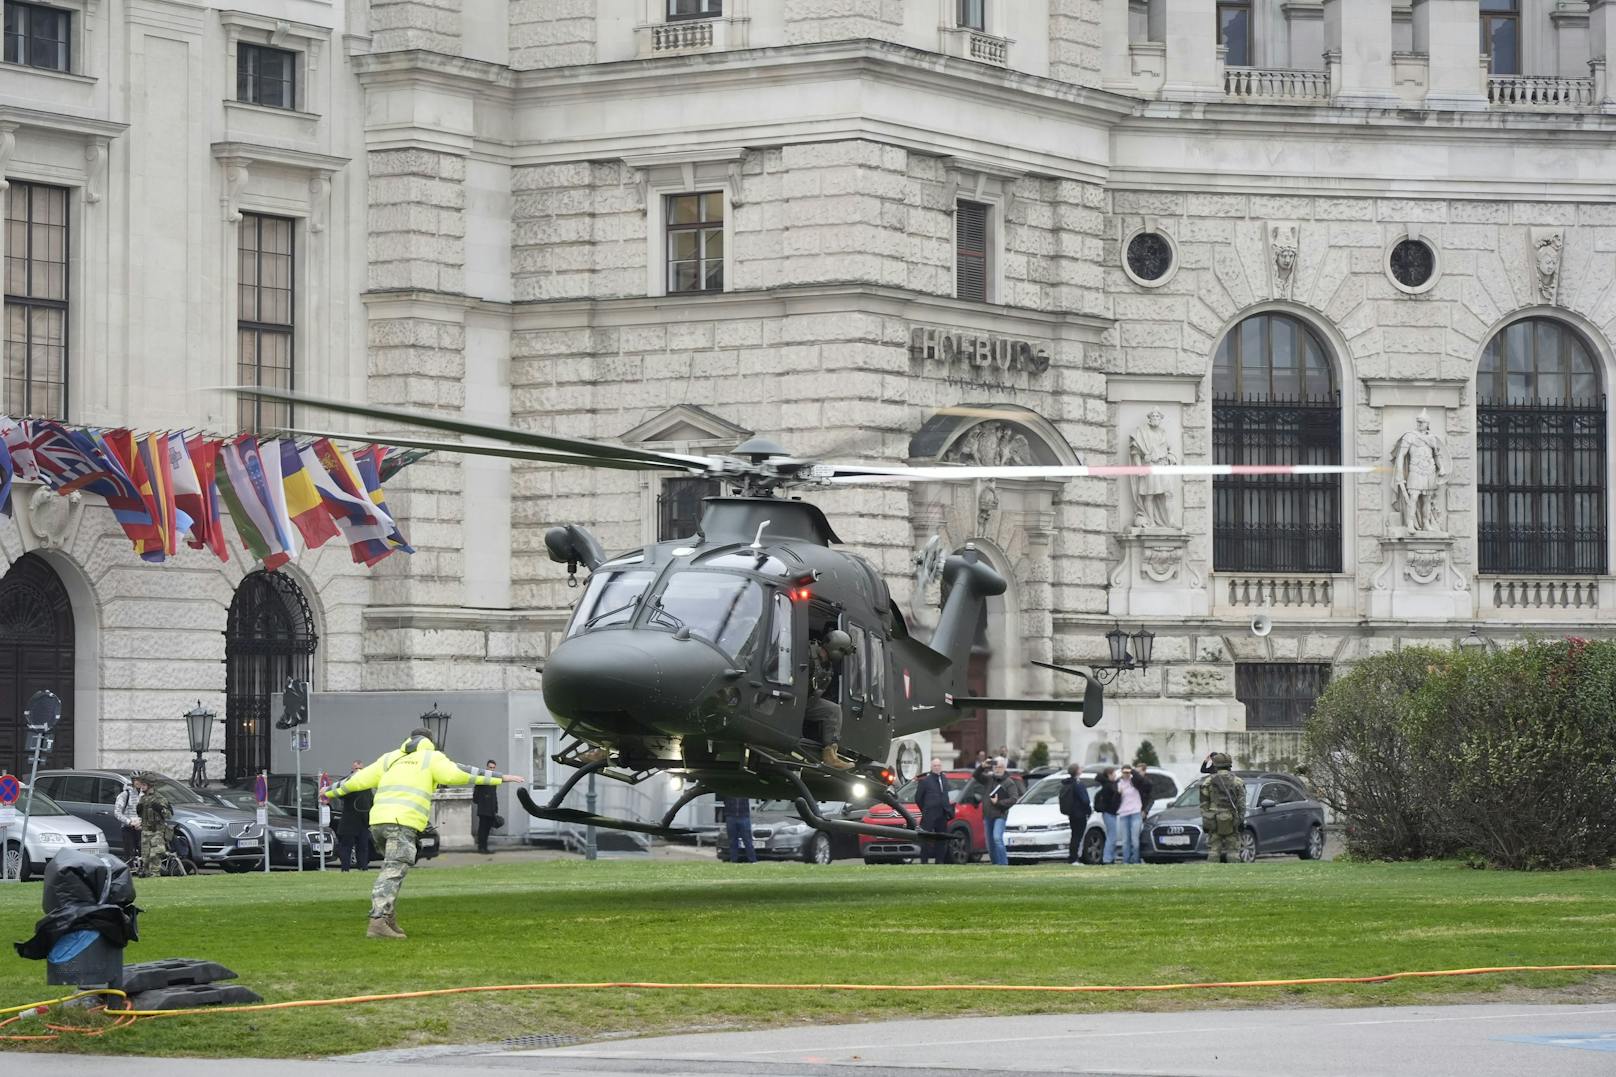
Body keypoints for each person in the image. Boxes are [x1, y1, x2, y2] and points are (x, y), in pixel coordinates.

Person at [328, 728, 524, 939]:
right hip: (402, 823)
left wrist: (330, 790)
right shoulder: (432, 758)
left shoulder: (390, 758)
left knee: (395, 869)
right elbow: (463, 772)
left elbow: (357, 780)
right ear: (430, 742)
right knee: (393, 871)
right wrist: (501, 777)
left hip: (378, 823)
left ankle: (388, 918)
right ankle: (377, 922)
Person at [806, 630, 856, 771]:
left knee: (833, 710)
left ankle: (830, 754)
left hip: (805, 702)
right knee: (833, 710)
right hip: (790, 700)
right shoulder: (807, 655)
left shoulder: (826, 665)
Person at [1200, 752, 1247, 863]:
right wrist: (1240, 819)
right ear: (1229, 765)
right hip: (1232, 818)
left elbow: (1203, 804)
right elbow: (1242, 804)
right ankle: (1234, 873)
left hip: (1214, 819)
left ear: (1215, 765)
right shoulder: (1238, 781)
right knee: (1233, 850)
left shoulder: (1208, 781)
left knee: (1214, 850)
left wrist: (1207, 820)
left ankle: (1212, 872)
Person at [979, 758, 1022, 866]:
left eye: (1000, 767)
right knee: (990, 844)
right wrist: (982, 767)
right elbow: (976, 776)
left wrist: (999, 802)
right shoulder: (989, 779)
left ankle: (1003, 865)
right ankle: (995, 865)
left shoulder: (1009, 782)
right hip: (987, 815)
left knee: (997, 838)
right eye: (996, 767)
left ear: (1004, 768)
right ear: (993, 768)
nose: (998, 769)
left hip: (1000, 815)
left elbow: (1014, 799)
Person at [335, 759, 374, 872]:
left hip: (363, 821)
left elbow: (370, 800)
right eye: (356, 768)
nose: (358, 771)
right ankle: (345, 869)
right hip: (349, 820)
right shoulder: (347, 781)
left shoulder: (367, 783)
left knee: (363, 846)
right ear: (352, 769)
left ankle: (363, 868)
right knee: (346, 846)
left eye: (360, 768)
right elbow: (339, 792)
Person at [915, 758, 955, 864]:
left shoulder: (944, 779)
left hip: (942, 814)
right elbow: (918, 798)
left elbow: (946, 795)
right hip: (929, 814)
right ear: (931, 767)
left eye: (939, 766)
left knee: (942, 838)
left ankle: (939, 861)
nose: (937, 768)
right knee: (926, 838)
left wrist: (949, 810)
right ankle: (924, 862)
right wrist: (925, 809)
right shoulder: (925, 781)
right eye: (935, 766)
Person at [134, 775, 172, 878]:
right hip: (145, 832)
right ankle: (147, 877)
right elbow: (141, 815)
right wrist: (139, 810)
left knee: (154, 856)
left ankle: (155, 876)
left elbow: (169, 814)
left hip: (157, 832)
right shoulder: (143, 799)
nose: (141, 786)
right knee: (145, 858)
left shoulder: (159, 798)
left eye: (144, 784)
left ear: (150, 785)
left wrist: (160, 809)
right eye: (141, 784)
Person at [1116, 764, 1151, 864]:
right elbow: (1115, 798)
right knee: (1125, 840)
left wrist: (1134, 772)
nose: (1126, 774)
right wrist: (1118, 794)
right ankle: (1126, 861)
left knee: (1134, 840)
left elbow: (1146, 784)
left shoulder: (1135, 782)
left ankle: (1135, 860)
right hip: (1123, 813)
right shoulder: (1119, 783)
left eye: (1128, 772)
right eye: (1124, 772)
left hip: (1135, 812)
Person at [1058, 763, 1092, 865]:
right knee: (1078, 837)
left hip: (1072, 813)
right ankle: (1074, 858)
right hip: (1080, 813)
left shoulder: (1068, 783)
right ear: (1077, 771)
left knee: (1074, 836)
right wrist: (1088, 810)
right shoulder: (1078, 784)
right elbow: (1085, 800)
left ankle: (1072, 857)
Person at [1092, 766, 1121, 864]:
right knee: (1112, 836)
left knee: (1112, 835)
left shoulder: (1107, 785)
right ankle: (1107, 858)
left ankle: (1110, 857)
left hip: (1109, 812)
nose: (1115, 776)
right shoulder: (1108, 786)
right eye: (1114, 774)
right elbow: (1112, 800)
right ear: (1109, 775)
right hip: (1109, 812)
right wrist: (1118, 793)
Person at [473, 758, 500, 854]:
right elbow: (476, 794)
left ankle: (485, 847)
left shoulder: (494, 780)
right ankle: (481, 847)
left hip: (491, 809)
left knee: (487, 829)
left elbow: (494, 794)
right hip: (484, 808)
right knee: (483, 829)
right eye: (490, 767)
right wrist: (481, 802)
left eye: (493, 768)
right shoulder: (481, 779)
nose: (491, 769)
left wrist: (496, 808)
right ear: (486, 767)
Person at [113, 776, 143, 863]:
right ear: (133, 781)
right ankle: (130, 870)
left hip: (140, 828)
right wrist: (129, 822)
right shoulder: (125, 795)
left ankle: (141, 870)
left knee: (142, 851)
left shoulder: (143, 795)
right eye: (136, 780)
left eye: (141, 780)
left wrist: (141, 822)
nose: (139, 782)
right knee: (130, 853)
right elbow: (117, 813)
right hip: (128, 828)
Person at [723, 796, 756, 863]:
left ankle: (752, 860)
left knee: (747, 840)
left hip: (743, 816)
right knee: (732, 841)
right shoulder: (728, 790)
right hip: (731, 816)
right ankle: (734, 860)